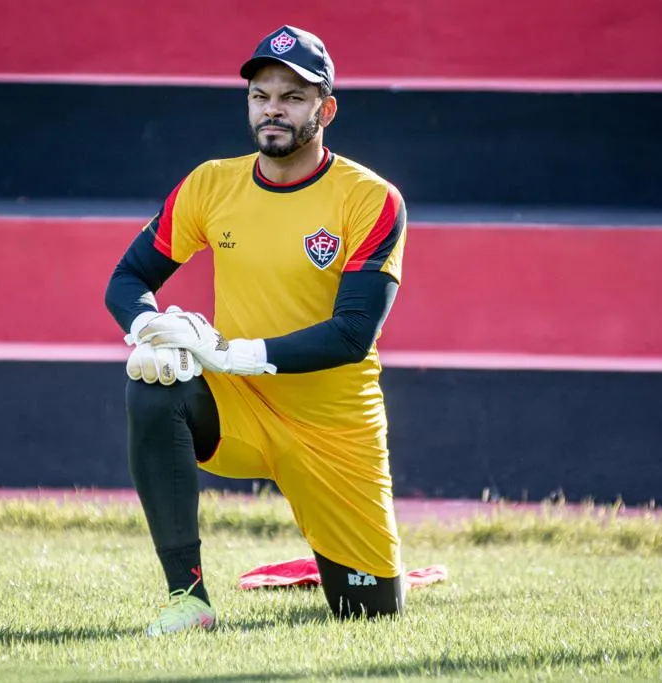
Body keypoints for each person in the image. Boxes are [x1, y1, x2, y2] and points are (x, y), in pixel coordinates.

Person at [104, 24, 409, 636]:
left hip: (335, 428)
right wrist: (150, 327)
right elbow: (129, 276)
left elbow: (351, 334)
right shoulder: (212, 183)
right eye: (261, 95)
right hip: (238, 409)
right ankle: (186, 598)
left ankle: (362, 567)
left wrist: (225, 351)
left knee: (369, 613)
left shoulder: (371, 199)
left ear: (326, 109)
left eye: (293, 97)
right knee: (152, 385)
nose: (274, 109)